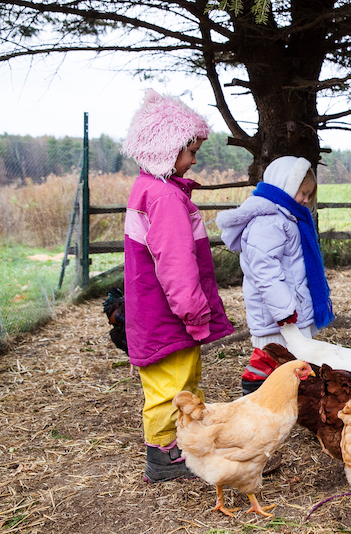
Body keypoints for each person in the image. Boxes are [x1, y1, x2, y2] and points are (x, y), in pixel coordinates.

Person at [121, 89, 234, 483]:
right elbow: (176, 263)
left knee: (172, 380)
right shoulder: (166, 197)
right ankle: (166, 453)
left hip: (152, 308)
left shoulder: (148, 189)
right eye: (191, 150)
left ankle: (180, 444)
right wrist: (194, 311)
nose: (195, 158)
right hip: (168, 313)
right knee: (174, 383)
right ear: (167, 149)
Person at [216, 156, 334, 395]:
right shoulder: (268, 221)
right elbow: (265, 271)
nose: (306, 200)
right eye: (303, 193)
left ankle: (286, 408)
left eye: (310, 195)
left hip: (291, 312)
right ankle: (253, 396)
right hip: (278, 318)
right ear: (286, 186)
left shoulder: (288, 217)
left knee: (293, 366)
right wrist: (284, 310)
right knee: (273, 366)